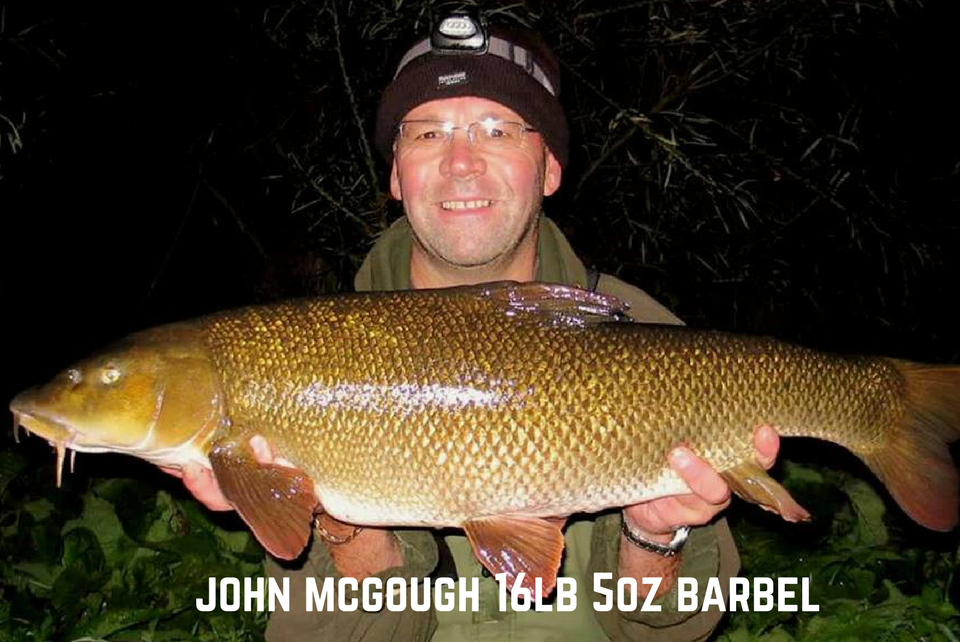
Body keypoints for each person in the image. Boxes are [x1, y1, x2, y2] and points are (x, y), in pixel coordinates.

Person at [168, 12, 779, 641]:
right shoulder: (305, 355)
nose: (461, 162)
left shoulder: (644, 333)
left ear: (549, 168)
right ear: (396, 174)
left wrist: (653, 534)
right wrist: (340, 521)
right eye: (428, 134)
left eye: (497, 129)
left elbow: (672, 634)